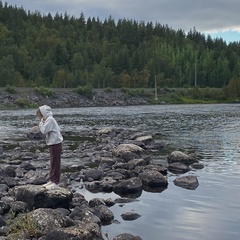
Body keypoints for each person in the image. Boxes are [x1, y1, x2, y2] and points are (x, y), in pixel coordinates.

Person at [36, 105, 63, 189]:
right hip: (53, 143)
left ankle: (56, 182)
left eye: (40, 115)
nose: (39, 117)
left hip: (56, 143)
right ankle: (52, 180)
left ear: (43, 114)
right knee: (52, 162)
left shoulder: (50, 120)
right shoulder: (49, 119)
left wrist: (41, 122)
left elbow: (44, 131)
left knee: (55, 162)